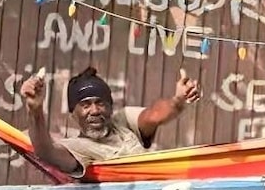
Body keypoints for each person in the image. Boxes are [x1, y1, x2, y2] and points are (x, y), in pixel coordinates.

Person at [19, 65, 201, 177]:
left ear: (111, 106)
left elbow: (154, 115)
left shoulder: (123, 121)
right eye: (85, 105)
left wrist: (178, 100)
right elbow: (46, 152)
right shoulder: (76, 148)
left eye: (100, 103)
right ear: (73, 113)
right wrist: (35, 110)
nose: (95, 110)